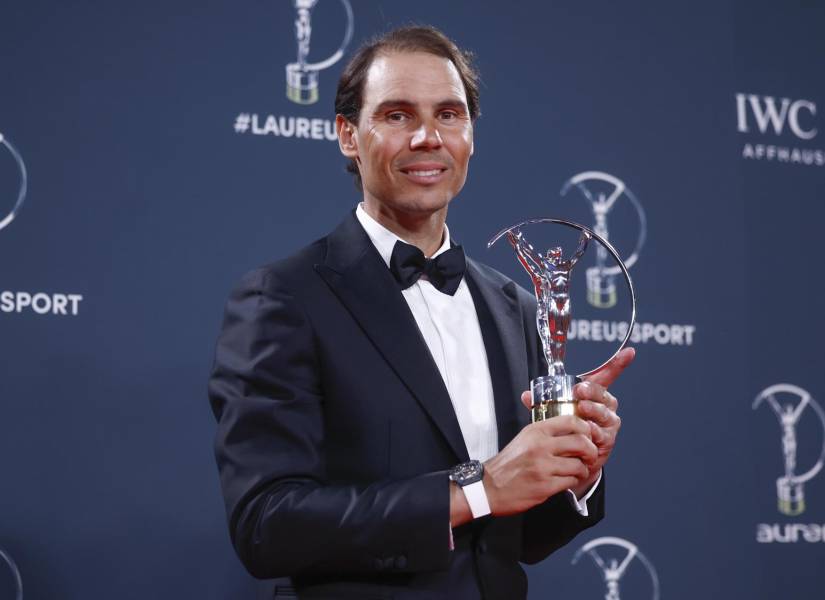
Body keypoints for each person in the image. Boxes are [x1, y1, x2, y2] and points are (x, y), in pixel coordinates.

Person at [209, 25, 634, 600]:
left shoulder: (515, 308)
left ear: (471, 136)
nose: (428, 137)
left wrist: (575, 471)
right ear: (347, 136)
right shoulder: (283, 298)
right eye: (397, 115)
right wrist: (477, 488)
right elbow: (268, 525)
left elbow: (520, 541)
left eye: (449, 115)